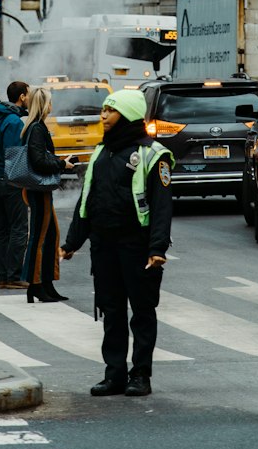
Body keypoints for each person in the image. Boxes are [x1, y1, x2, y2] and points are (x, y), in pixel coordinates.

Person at [62, 88, 174, 399]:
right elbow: (87, 201)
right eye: (103, 110)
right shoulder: (101, 151)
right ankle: (114, 375)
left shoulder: (154, 155)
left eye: (110, 111)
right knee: (111, 312)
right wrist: (71, 242)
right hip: (104, 246)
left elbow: (162, 207)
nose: (103, 116)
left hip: (137, 246)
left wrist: (157, 249)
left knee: (141, 311)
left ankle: (140, 375)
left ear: (127, 115)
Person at [19, 86, 75, 302]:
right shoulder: (37, 129)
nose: (52, 106)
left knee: (51, 235)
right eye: (50, 102)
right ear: (44, 105)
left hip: (40, 189)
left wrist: (61, 162)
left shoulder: (36, 127)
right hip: (38, 189)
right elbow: (39, 161)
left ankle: (47, 283)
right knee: (40, 237)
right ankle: (35, 285)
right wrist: (62, 164)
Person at [0, 80, 30, 290]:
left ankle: (2, 277)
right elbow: (15, 155)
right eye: (28, 95)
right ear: (22, 96)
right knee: (19, 228)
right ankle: (14, 275)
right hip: (11, 180)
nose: (29, 99)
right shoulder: (14, 122)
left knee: (2, 230)